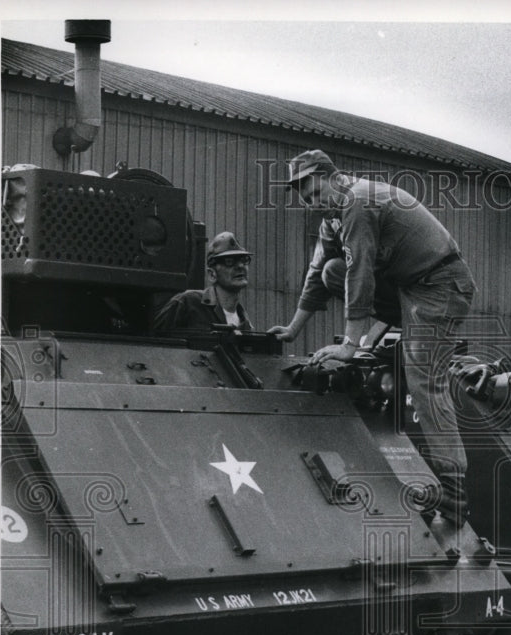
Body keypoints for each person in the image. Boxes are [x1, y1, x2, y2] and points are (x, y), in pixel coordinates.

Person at [269, 149, 476, 527]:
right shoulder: (332, 218)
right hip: (407, 288)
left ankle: (454, 491)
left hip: (441, 285)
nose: (313, 204)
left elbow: (360, 275)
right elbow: (320, 276)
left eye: (315, 193)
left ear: (334, 177)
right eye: (306, 199)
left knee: (424, 378)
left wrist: (350, 345)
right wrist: (292, 329)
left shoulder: (358, 203)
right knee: (332, 269)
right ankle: (383, 334)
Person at [154, 231, 254, 332]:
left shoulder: (245, 324)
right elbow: (151, 341)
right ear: (212, 274)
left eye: (244, 260)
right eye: (229, 262)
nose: (240, 266)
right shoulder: (187, 303)